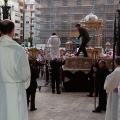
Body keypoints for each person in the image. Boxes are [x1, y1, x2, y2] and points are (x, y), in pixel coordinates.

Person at [0, 19, 30, 120]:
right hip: (15, 90)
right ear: (13, 31)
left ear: (0, 31)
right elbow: (25, 74)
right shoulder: (18, 50)